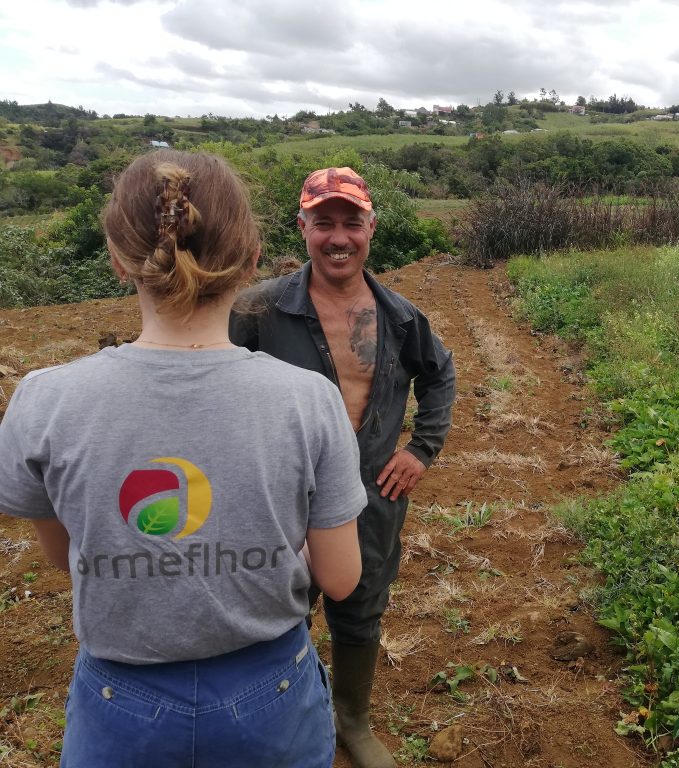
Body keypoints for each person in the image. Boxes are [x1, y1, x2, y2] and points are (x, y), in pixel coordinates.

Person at [0, 149, 366, 768]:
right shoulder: (307, 399)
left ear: (118, 259)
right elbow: (340, 578)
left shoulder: (46, 399)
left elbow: (67, 554)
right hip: (270, 696)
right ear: (253, 258)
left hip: (120, 704)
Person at [230, 166, 456, 768]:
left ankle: (351, 720)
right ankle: (280, 713)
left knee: (360, 604)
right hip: (280, 498)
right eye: (323, 222)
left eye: (351, 223)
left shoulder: (399, 316)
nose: (338, 237)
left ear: (371, 228)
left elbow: (439, 374)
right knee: (275, 604)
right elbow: (213, 380)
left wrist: (420, 449)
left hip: (370, 493)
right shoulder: (257, 311)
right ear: (302, 227)